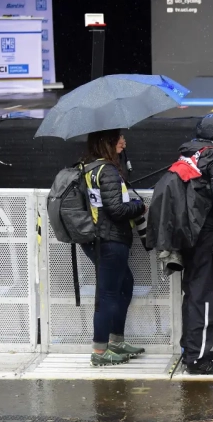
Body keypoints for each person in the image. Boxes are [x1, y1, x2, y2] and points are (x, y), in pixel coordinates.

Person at [147, 114, 213, 375]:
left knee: (193, 294)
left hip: (188, 235)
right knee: (206, 296)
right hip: (208, 237)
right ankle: (199, 359)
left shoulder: (190, 155)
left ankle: (191, 350)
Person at [81, 129, 147, 367]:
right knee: (108, 294)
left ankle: (116, 341)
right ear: (106, 141)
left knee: (124, 284)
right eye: (118, 137)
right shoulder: (106, 170)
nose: (123, 141)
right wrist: (139, 207)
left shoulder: (89, 168)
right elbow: (117, 210)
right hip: (109, 240)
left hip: (99, 239)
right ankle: (100, 351)